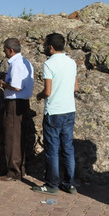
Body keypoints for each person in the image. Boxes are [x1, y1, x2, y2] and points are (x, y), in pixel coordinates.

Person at [32, 33, 78, 195]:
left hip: (54, 111)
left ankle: (52, 184)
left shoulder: (49, 64)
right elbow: (75, 87)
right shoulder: (72, 62)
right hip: (69, 109)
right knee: (68, 148)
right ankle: (69, 184)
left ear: (50, 47)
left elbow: (48, 91)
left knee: (52, 149)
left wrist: (39, 96)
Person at [0, 38, 34, 182]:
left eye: (5, 49)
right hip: (23, 102)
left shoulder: (17, 64)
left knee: (12, 136)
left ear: (10, 50)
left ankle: (13, 171)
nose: (3, 52)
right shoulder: (25, 62)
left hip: (14, 102)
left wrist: (4, 83)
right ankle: (19, 168)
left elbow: (16, 86)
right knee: (19, 136)